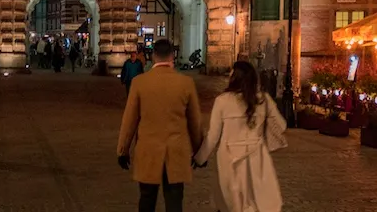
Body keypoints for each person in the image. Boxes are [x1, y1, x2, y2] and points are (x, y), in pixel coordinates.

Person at [117, 39, 203, 212]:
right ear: (172, 56)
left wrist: (123, 150)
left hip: (148, 151)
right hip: (176, 152)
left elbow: (129, 121)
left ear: (153, 57)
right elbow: (195, 122)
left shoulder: (140, 82)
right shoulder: (186, 83)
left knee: (147, 198)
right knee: (174, 201)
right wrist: (199, 151)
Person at [193, 61, 285, 212]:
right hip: (257, 157)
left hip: (229, 158)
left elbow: (213, 136)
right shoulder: (263, 100)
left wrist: (199, 158)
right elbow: (281, 125)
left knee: (231, 202)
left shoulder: (222, 101)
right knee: (257, 202)